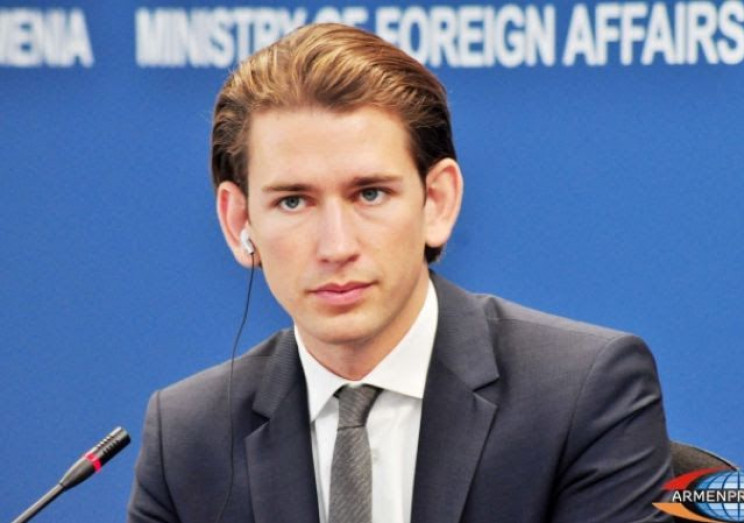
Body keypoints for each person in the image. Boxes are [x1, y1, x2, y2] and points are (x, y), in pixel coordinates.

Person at [128, 23, 672, 523]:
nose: (336, 246)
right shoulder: (188, 438)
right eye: (293, 201)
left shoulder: (581, 394)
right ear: (239, 221)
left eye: (370, 194)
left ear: (437, 202)